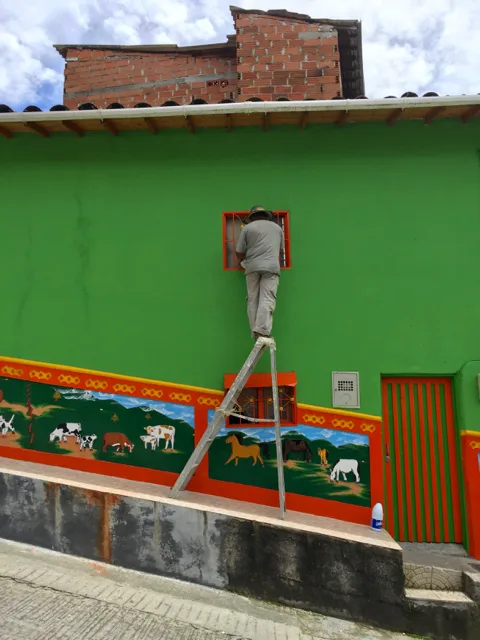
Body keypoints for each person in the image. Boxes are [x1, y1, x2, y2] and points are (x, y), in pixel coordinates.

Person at [236, 205, 285, 339]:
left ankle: (255, 333)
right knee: (267, 298)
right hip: (271, 267)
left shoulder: (247, 228)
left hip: (252, 267)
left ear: (252, 217)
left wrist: (241, 260)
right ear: (266, 216)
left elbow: (239, 251)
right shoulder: (277, 228)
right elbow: (281, 249)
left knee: (252, 299)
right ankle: (262, 330)